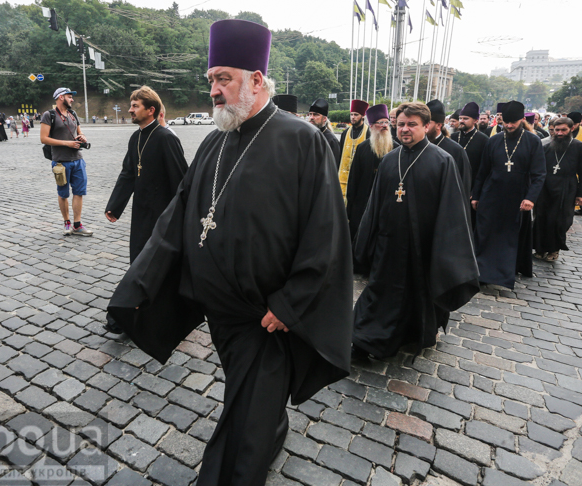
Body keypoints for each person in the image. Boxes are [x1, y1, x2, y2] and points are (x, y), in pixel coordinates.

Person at [107, 19, 352, 486]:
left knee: (245, 422)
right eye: (211, 80)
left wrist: (291, 302)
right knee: (251, 398)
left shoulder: (302, 140)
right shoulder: (215, 140)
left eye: (225, 78)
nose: (215, 91)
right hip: (220, 311)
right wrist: (141, 282)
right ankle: (271, 425)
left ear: (257, 80)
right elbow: (178, 215)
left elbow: (326, 231)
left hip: (266, 314)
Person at [352, 101, 479, 360]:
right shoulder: (389, 160)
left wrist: (445, 250)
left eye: (412, 124)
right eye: (400, 124)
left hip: (423, 246)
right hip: (388, 246)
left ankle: (411, 335)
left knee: (415, 295)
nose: (405, 129)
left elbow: (452, 210)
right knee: (381, 292)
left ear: (426, 126)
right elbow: (374, 205)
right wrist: (364, 242)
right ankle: (366, 340)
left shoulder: (442, 161)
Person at [104, 87, 189, 334]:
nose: (130, 110)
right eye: (130, 105)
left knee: (154, 265)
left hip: (164, 216)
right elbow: (128, 173)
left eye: (135, 106)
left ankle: (134, 313)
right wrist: (115, 205)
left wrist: (182, 219)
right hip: (141, 212)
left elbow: (181, 181)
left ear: (151, 110)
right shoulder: (135, 137)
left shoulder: (166, 138)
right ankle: (140, 310)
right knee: (138, 260)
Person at [472, 100, 546, 289]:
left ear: (522, 120)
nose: (509, 125)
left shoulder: (533, 141)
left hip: (517, 196)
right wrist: (476, 195)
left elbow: (539, 174)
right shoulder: (494, 141)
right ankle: (482, 273)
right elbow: (483, 171)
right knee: (485, 233)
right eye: (506, 122)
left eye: (513, 122)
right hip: (491, 194)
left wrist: (530, 198)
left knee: (506, 236)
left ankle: (501, 276)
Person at [532, 118, 582, 262]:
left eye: (563, 130)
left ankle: (554, 250)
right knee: (541, 218)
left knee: (560, 221)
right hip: (545, 186)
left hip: (566, 187)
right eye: (556, 130)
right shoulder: (546, 146)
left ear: (571, 129)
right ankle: (539, 249)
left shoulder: (580, 147)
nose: (559, 133)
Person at [41, 87, 93, 237]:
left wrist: (82, 137)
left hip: (78, 160)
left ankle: (77, 225)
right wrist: (67, 143)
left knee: (79, 192)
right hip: (60, 162)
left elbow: (79, 131)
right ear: (61, 97)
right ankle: (67, 222)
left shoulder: (73, 114)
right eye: (69, 97)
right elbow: (44, 138)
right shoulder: (48, 115)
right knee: (63, 194)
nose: (72, 99)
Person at [346, 103, 398, 244]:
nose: (385, 126)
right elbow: (353, 180)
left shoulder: (397, 149)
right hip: (362, 205)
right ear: (372, 126)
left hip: (387, 206)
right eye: (380, 123)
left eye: (386, 122)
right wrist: (350, 210)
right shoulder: (363, 148)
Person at [426, 100, 472, 198]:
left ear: (439, 125)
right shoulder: (416, 146)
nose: (423, 126)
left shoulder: (456, 151)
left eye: (427, 123)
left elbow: (462, 187)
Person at [451, 101, 489, 193]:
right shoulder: (453, 137)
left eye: (465, 118)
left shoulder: (484, 140)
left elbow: (484, 168)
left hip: (471, 186)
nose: (461, 121)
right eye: (460, 118)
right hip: (452, 183)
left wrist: (476, 191)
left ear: (475, 121)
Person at [338, 99, 370, 200]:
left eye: (356, 114)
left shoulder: (369, 133)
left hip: (360, 177)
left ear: (363, 116)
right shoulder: (345, 133)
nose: (353, 117)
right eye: (351, 114)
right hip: (343, 176)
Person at [307, 98, 340, 167]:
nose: (311, 117)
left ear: (324, 118)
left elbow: (333, 167)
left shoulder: (331, 140)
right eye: (310, 114)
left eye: (316, 114)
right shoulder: (306, 135)